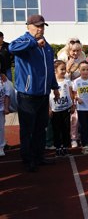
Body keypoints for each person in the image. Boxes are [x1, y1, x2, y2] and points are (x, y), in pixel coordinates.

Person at [9, 14, 59, 172]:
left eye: (42, 26)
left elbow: (49, 69)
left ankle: (38, 156)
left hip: (43, 95)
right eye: (37, 26)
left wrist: (55, 87)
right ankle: (28, 158)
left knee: (41, 128)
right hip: (27, 95)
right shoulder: (25, 40)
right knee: (28, 129)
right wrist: (33, 42)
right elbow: (12, 47)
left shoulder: (47, 46)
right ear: (28, 27)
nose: (40, 29)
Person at [57, 38, 86, 148]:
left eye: (78, 50)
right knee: (67, 116)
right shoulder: (63, 58)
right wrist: (68, 70)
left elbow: (84, 73)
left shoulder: (82, 57)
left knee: (77, 115)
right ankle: (66, 137)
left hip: (77, 89)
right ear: (69, 50)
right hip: (65, 90)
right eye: (73, 51)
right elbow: (62, 77)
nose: (75, 53)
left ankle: (75, 136)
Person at [49, 60, 75, 156]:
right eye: (61, 69)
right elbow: (48, 96)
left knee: (66, 128)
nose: (64, 71)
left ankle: (65, 146)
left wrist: (72, 105)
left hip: (66, 109)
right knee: (57, 129)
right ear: (55, 70)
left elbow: (71, 93)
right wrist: (49, 109)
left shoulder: (67, 81)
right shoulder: (51, 82)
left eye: (65, 69)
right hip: (55, 110)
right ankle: (58, 147)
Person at [0, 66, 10, 156]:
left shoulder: (3, 80)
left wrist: (6, 108)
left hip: (1, 109)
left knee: (1, 128)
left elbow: (7, 95)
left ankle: (1, 147)